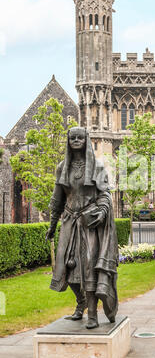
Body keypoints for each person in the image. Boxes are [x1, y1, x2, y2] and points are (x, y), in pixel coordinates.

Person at [46, 127, 119, 329]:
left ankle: (93, 314)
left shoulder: (97, 167)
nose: (76, 140)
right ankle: (81, 304)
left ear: (86, 140)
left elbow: (105, 195)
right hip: (69, 221)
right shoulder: (62, 167)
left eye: (80, 137)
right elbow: (57, 200)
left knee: (88, 266)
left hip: (88, 223)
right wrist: (52, 226)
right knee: (65, 266)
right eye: (72, 138)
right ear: (68, 141)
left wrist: (102, 212)